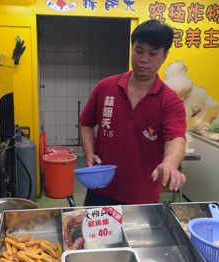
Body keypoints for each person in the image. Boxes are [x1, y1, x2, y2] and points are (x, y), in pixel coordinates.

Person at [79, 19, 187, 206]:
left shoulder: (171, 101)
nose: (144, 59)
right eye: (139, 51)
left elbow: (175, 140)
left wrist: (170, 163)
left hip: (142, 194)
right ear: (132, 49)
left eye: (153, 53)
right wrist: (89, 153)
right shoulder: (105, 87)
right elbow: (87, 122)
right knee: (93, 236)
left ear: (165, 55)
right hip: (100, 186)